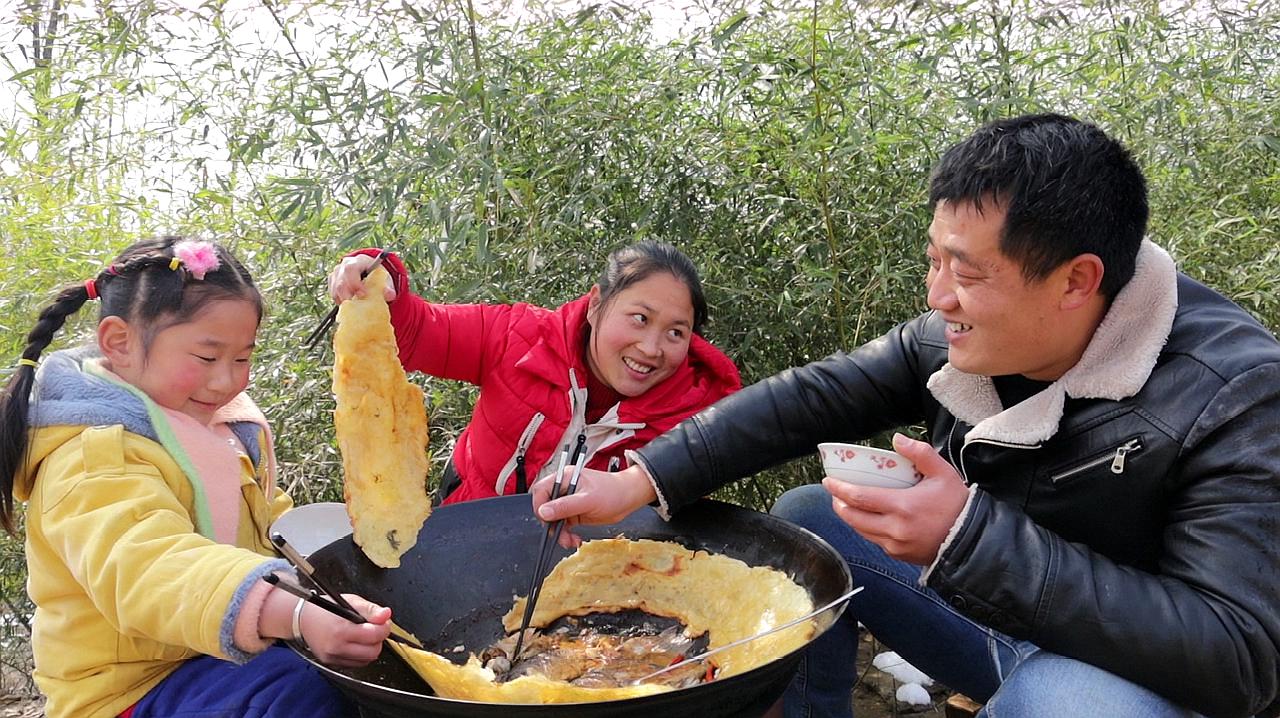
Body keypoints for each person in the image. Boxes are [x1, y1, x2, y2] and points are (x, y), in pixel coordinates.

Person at [533, 114, 1280, 718]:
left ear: (1076, 281)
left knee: (1062, 701)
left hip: (1117, 680)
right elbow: (812, 396)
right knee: (806, 520)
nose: (937, 295)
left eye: (968, 273)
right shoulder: (965, 336)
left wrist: (968, 537)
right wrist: (639, 477)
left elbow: (1238, 658)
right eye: (934, 260)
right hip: (993, 624)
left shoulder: (1236, 393)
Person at [0, 237, 392, 718]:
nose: (227, 381)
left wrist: (332, 567)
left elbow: (261, 516)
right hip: (130, 691)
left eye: (243, 358)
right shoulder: (91, 457)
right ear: (119, 342)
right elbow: (150, 567)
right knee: (299, 691)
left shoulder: (201, 422)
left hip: (210, 658)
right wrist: (292, 611)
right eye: (207, 358)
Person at [326, 240, 741, 505]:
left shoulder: (702, 419)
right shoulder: (518, 337)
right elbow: (414, 333)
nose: (651, 348)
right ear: (596, 305)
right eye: (639, 318)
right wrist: (374, 279)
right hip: (464, 546)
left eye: (675, 332)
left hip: (596, 591)